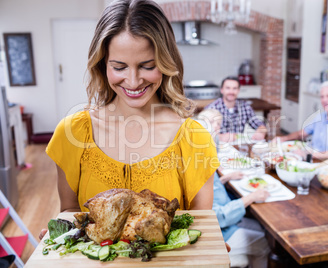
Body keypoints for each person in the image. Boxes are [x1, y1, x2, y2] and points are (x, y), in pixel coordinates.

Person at [45, 0, 219, 214]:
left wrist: (212, 245)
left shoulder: (194, 137)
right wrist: (59, 239)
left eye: (148, 66)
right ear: (102, 64)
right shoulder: (72, 132)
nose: (134, 81)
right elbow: (70, 212)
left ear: (166, 63)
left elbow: (200, 225)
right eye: (119, 67)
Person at [198, 109, 270, 268]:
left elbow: (210, 189)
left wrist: (224, 178)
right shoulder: (201, 166)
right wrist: (250, 198)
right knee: (265, 242)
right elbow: (217, 216)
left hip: (226, 221)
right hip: (220, 232)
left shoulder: (202, 161)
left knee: (263, 228)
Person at [278, 80, 328, 161]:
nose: (324, 100)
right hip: (315, 160)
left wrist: (309, 155)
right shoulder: (321, 116)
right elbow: (302, 133)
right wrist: (283, 139)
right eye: (322, 97)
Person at [204, 76, 267, 143]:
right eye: (228, 88)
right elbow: (203, 133)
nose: (231, 92)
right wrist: (220, 137)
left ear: (238, 90)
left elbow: (259, 124)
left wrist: (261, 132)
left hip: (240, 148)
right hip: (218, 147)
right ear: (222, 90)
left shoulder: (245, 107)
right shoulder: (212, 108)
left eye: (235, 88)